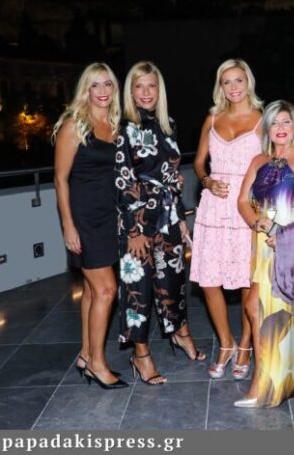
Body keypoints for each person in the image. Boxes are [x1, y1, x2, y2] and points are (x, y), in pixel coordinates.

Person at [115, 61, 205, 387]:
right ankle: (140, 355)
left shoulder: (169, 125)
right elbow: (122, 180)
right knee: (137, 289)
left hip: (167, 217)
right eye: (139, 86)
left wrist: (179, 218)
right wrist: (133, 230)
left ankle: (180, 333)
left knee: (173, 280)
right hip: (137, 219)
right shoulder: (122, 128)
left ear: (159, 89)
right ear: (130, 91)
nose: (146, 92)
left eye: (151, 85)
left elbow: (172, 177)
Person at [235, 100, 294, 407]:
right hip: (261, 243)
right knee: (255, 307)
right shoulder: (258, 160)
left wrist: (283, 232)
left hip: (288, 241)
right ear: (267, 129)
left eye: (286, 122)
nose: (281, 128)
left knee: (276, 312)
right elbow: (242, 201)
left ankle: (266, 383)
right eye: (275, 122)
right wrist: (256, 222)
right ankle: (285, 378)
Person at [53, 62, 127, 389]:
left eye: (108, 84)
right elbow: (60, 179)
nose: (102, 91)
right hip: (84, 217)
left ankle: (85, 355)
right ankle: (98, 363)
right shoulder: (75, 125)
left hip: (109, 215)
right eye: (95, 85)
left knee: (91, 290)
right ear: (86, 89)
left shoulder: (114, 125)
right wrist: (68, 226)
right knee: (107, 289)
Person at [190, 59, 262, 380]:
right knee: (209, 280)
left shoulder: (263, 120)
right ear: (220, 86)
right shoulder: (212, 118)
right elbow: (198, 162)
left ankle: (245, 345)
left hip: (247, 208)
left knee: (247, 280)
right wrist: (207, 181)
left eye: (238, 80)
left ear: (248, 82)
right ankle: (226, 343)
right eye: (226, 81)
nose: (233, 87)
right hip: (214, 208)